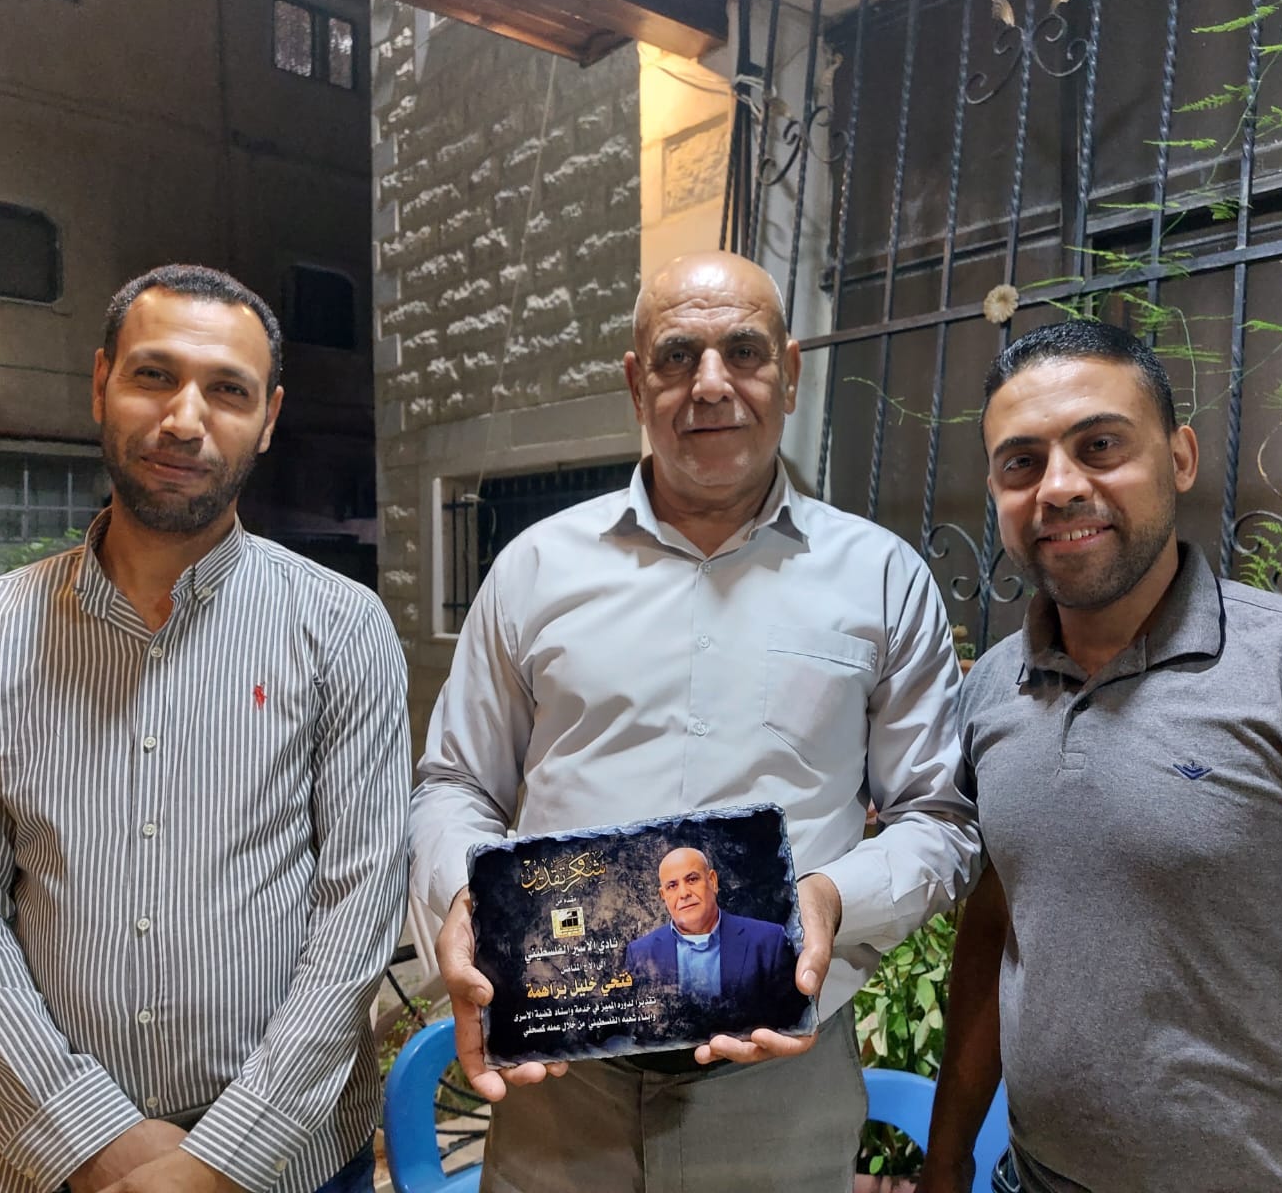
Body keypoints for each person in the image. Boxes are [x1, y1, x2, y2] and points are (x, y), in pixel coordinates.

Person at [412, 250, 980, 1192]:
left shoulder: (882, 579)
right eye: (678, 355)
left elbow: (939, 817)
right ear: (637, 383)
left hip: (781, 1086)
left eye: (743, 352)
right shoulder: (535, 570)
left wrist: (830, 899)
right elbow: (457, 784)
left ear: (788, 373)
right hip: (562, 1083)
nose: (710, 384)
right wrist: (462, 899)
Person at [918, 320, 1282, 1193]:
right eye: (1022, 463)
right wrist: (947, 1163)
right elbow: (998, 930)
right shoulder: (994, 688)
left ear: (1180, 458)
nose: (1060, 486)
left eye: (1100, 445)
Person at [0, 265, 411, 1193]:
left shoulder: (341, 629)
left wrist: (223, 1160)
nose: (184, 419)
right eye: (153, 375)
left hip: (289, 1163)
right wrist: (95, 1142)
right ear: (101, 382)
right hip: (46, 1163)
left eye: (228, 390)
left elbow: (360, 909)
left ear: (268, 417)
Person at [622, 847, 795, 1011]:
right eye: (672, 886)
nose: (684, 893)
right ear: (663, 895)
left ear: (712, 881)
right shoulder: (639, 954)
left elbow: (791, 1020)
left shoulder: (769, 941)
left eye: (692, 879)